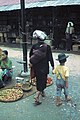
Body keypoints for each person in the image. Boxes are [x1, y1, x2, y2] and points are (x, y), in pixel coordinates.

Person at [29, 30, 54, 105]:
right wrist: (53, 66)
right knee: (43, 81)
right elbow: (50, 57)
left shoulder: (34, 46)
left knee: (38, 80)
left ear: (37, 39)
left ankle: (42, 91)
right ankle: (37, 96)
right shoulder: (47, 47)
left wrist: (32, 63)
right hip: (44, 68)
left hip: (36, 67)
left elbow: (30, 56)